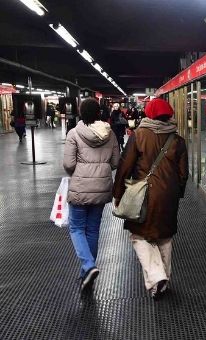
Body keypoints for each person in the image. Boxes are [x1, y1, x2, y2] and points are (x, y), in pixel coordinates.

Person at [113, 98, 188, 300]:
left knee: (139, 236)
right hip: (168, 195)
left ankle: (156, 277)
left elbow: (124, 167)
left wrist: (118, 193)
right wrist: (176, 194)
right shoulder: (178, 140)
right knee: (164, 237)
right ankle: (163, 281)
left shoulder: (139, 135)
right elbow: (183, 174)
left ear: (149, 114)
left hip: (144, 196)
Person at [63, 98, 120, 292]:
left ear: (80, 112)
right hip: (103, 186)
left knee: (76, 228)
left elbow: (69, 164)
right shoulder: (109, 134)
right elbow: (115, 162)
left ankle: (88, 266)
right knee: (93, 229)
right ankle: (86, 274)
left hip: (80, 186)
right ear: (99, 112)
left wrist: (81, 171)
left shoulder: (74, 133)